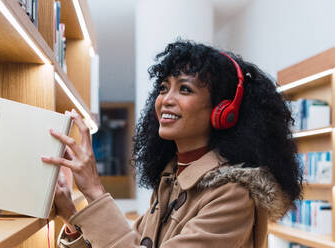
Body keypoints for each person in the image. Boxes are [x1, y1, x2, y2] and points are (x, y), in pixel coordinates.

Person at [42, 40, 302, 248]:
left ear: (224, 111)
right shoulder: (171, 179)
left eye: (185, 89)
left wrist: (95, 191)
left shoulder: (233, 195)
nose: (165, 99)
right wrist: (71, 218)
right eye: (164, 87)